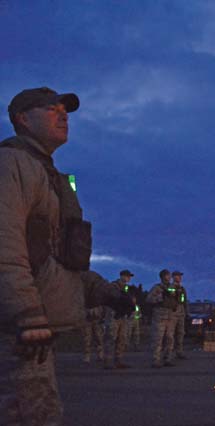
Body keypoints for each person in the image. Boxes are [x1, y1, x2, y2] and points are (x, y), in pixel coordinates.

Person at [0, 87, 134, 425]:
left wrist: (103, 291)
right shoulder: (11, 164)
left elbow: (55, 260)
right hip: (15, 331)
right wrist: (26, 312)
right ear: (22, 119)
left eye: (65, 110)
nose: (63, 115)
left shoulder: (49, 175)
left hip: (32, 333)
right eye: (51, 109)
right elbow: (5, 243)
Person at [147, 269, 178, 367]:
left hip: (170, 316)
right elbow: (148, 299)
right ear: (163, 276)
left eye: (169, 275)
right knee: (158, 339)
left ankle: (168, 358)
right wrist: (159, 298)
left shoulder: (173, 287)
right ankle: (156, 360)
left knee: (170, 338)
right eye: (167, 275)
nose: (169, 277)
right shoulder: (157, 288)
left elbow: (177, 298)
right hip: (160, 317)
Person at [103, 270, 134, 369]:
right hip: (113, 315)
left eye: (130, 276)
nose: (129, 278)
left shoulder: (126, 288)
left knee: (122, 338)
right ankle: (108, 361)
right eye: (127, 276)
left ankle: (119, 360)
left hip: (122, 316)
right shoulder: (114, 286)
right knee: (111, 338)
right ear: (122, 276)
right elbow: (112, 299)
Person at [170, 270, 188, 360]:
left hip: (181, 312)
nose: (180, 278)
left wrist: (185, 311)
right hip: (173, 313)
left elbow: (184, 301)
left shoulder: (182, 288)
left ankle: (179, 351)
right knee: (171, 333)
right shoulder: (171, 287)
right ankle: (170, 352)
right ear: (173, 277)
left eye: (180, 276)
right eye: (177, 276)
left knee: (180, 333)